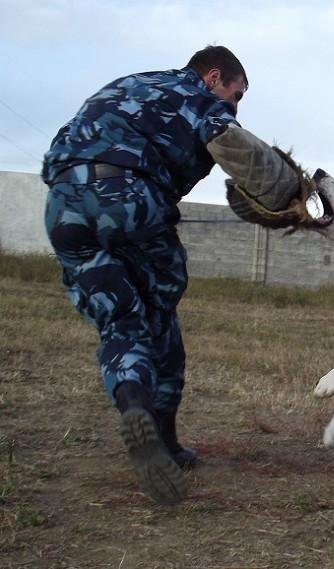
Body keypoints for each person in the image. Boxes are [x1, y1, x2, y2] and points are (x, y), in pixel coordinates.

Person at [42, 45, 302, 505]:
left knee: (120, 324)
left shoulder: (126, 84)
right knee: (160, 322)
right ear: (213, 75)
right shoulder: (198, 97)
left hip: (63, 205)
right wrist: (290, 193)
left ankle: (133, 408)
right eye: (235, 93)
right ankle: (164, 441)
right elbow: (235, 146)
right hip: (129, 199)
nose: (234, 104)